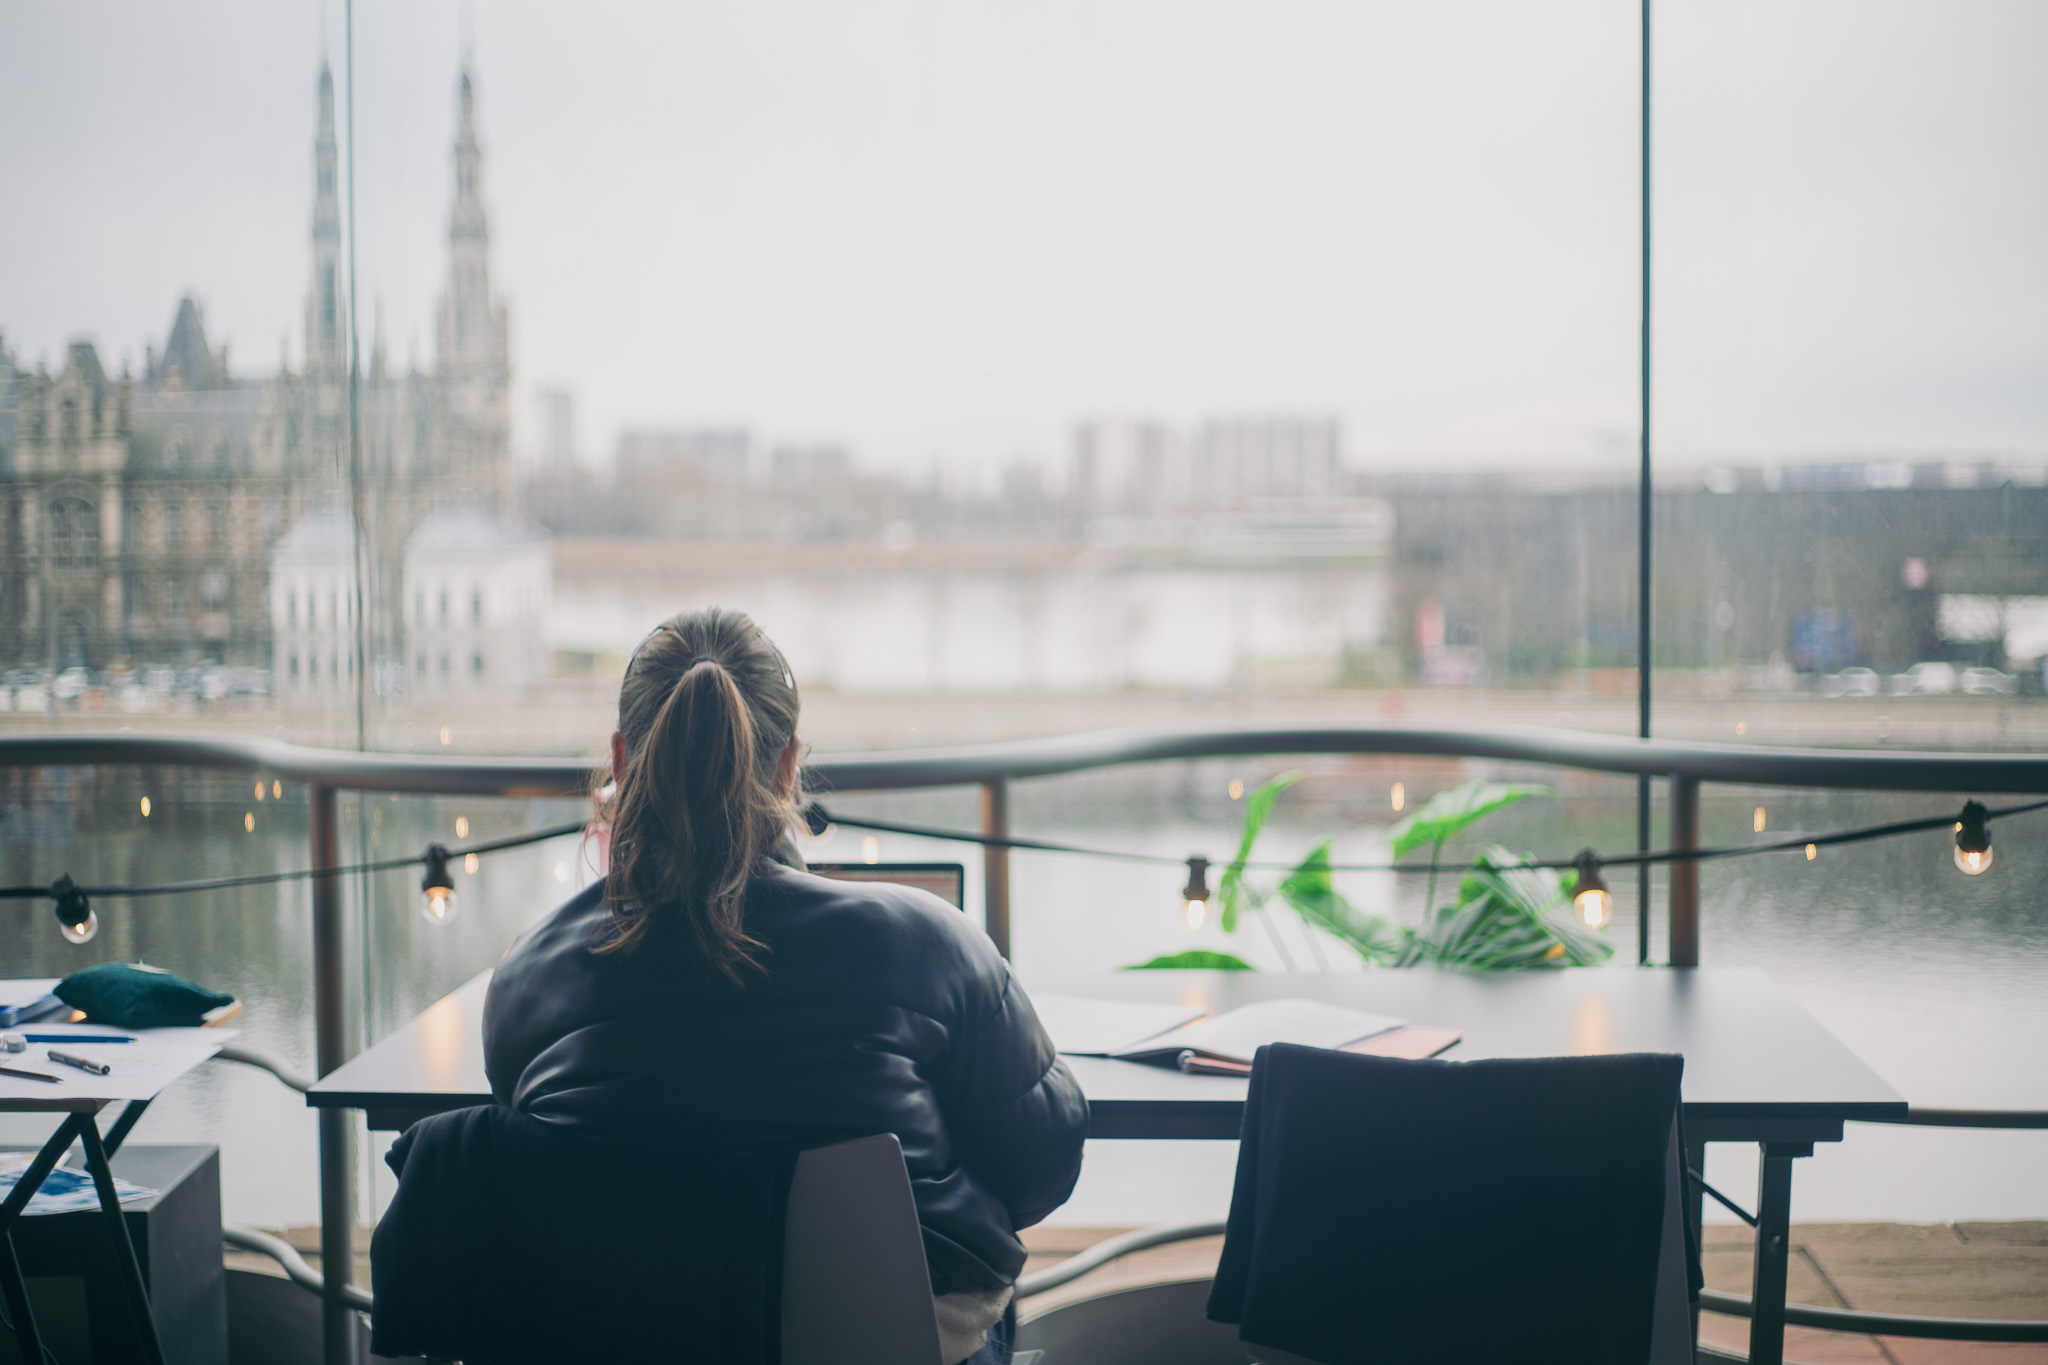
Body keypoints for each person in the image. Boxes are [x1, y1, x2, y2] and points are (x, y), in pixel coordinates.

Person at [483, 607, 1088, 1365]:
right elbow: (1043, 1168)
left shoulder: (527, 978)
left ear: (621, 761)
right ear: (788, 765)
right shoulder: (930, 943)